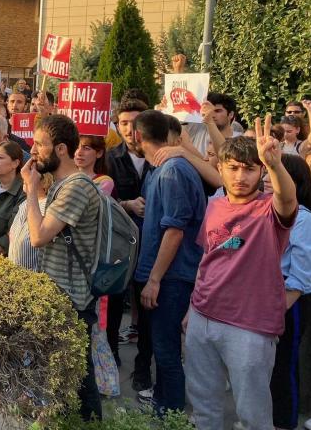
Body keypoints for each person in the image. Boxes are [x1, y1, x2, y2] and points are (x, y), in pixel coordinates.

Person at [185, 125, 298, 430]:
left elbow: (287, 202)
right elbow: (208, 259)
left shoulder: (268, 210)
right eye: (232, 168)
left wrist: (275, 164)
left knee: (252, 415)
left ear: (261, 172)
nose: (240, 176)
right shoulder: (214, 206)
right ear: (219, 168)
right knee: (204, 408)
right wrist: (190, 311)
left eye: (249, 169)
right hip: (202, 317)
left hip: (250, 326)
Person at [20, 114, 102, 420]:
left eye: (40, 144)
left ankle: (89, 425)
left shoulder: (77, 187)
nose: (33, 149)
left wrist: (30, 190)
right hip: (59, 293)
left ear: (62, 150)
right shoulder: (63, 183)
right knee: (64, 376)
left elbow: (39, 236)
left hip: (73, 298)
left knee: (79, 378)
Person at [132, 110, 206, 413]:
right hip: (166, 275)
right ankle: (162, 404)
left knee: (166, 351)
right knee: (163, 350)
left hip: (172, 277)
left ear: (138, 136)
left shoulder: (173, 169)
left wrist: (154, 279)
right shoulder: (163, 167)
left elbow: (175, 230)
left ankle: (170, 414)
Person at [106, 98, 152, 391]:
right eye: (123, 123)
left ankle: (143, 368)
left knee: (147, 308)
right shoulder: (111, 157)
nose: (130, 129)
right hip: (119, 246)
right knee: (111, 305)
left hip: (150, 244)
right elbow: (102, 198)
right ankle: (110, 361)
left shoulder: (159, 157)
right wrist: (126, 204)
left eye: (136, 122)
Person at [268, 154, 311, 430]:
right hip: (269, 296)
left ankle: (284, 422)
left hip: (290, 301)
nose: (265, 180)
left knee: (286, 364)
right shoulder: (267, 210)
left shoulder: (303, 217)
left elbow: (302, 273)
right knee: (270, 365)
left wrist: (280, 306)